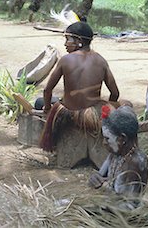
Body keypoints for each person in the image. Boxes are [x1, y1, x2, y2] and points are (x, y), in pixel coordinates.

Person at [39, 21, 121, 168]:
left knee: (40, 102)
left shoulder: (66, 60)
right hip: (94, 114)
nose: (65, 44)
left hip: (69, 112)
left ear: (79, 41)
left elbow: (47, 90)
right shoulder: (101, 60)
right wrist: (107, 110)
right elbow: (115, 93)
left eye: (68, 39)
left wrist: (47, 108)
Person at [88, 105, 148, 196]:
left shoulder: (134, 163)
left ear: (122, 139)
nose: (104, 143)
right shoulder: (115, 154)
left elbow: (125, 201)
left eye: (107, 139)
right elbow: (101, 175)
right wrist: (95, 179)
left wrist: (104, 186)